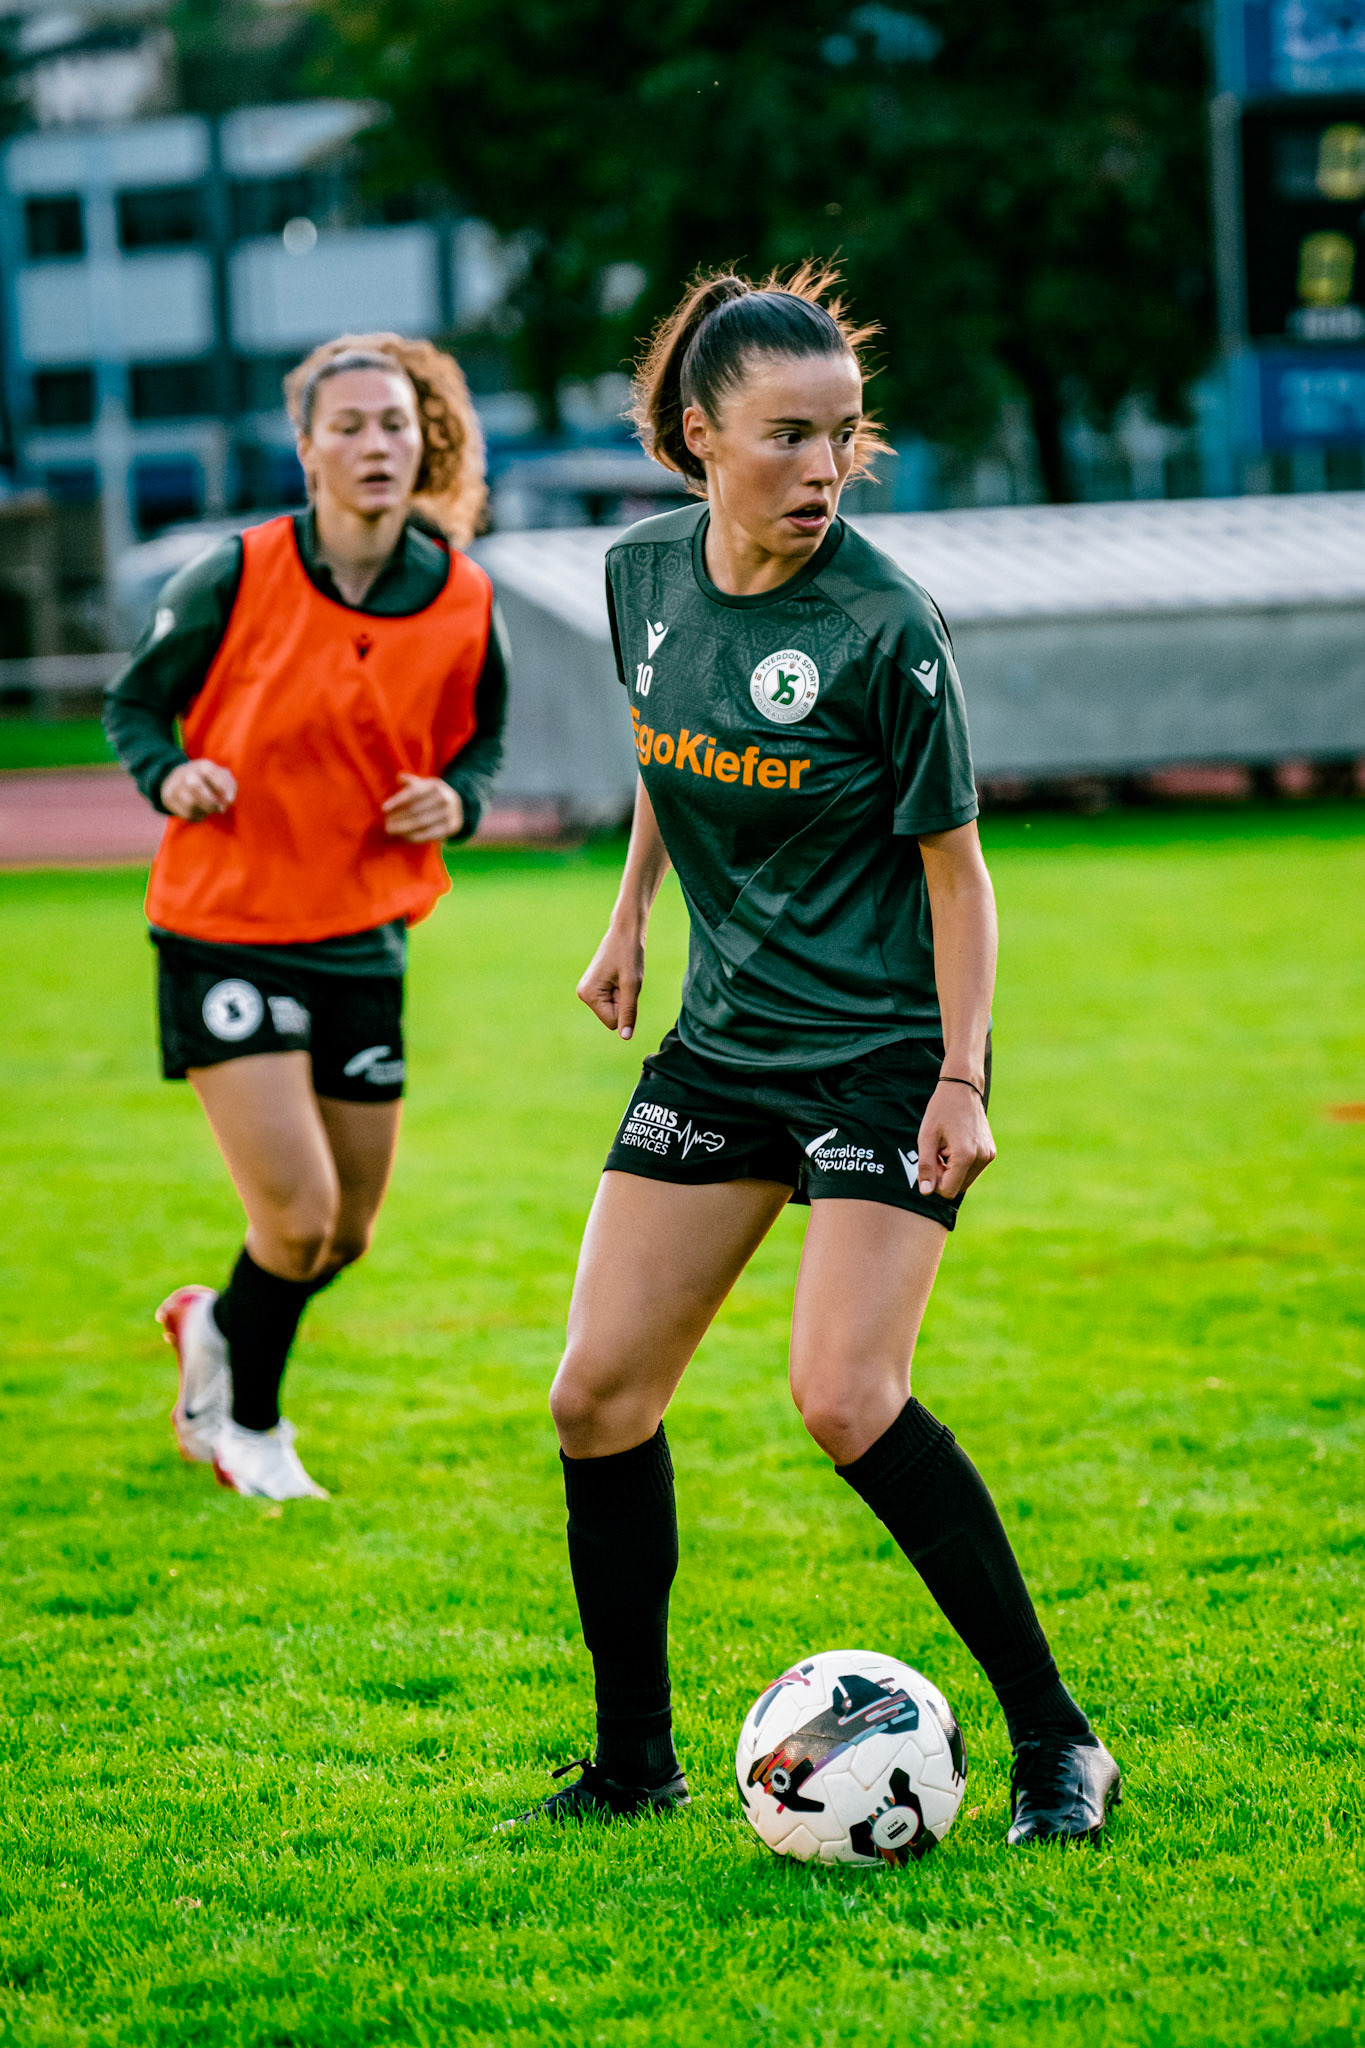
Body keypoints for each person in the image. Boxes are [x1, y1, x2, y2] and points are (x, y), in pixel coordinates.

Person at [513, 268, 1120, 1846]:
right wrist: (629, 916)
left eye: (842, 434)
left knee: (844, 1395)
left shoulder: (881, 625)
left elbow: (957, 877)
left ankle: (1058, 1741)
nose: (823, 468)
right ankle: (632, 1766)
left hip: (881, 1057)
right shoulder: (642, 575)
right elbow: (670, 744)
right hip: (725, 1049)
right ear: (697, 437)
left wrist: (961, 1078)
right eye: (787, 436)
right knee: (597, 1396)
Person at [104, 332, 507, 1502]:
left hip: (363, 935)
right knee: (297, 1217)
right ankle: (250, 1431)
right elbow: (136, 706)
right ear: (307, 448)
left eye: (395, 424)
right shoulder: (235, 572)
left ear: (422, 441)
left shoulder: (464, 594)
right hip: (224, 925)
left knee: (345, 1234)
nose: (375, 443)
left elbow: (481, 742)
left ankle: (218, 1323)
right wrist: (170, 773)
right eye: (349, 425)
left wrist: (458, 798)